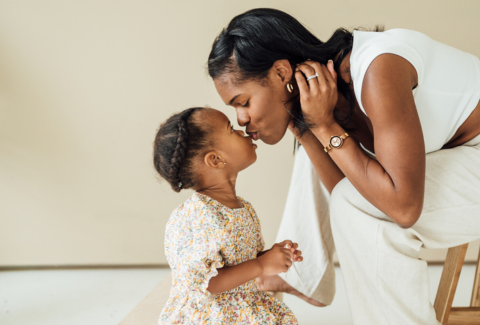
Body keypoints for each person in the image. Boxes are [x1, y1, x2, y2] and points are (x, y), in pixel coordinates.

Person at [207, 8, 480, 325]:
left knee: (335, 146)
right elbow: (348, 190)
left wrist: (324, 127)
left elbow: (403, 208)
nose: (241, 119)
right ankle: (299, 275)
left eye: (243, 102)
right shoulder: (333, 86)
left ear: (282, 73)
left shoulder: (378, 69)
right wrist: (306, 127)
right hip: (464, 153)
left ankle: (300, 275)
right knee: (324, 147)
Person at [153, 107, 302, 324]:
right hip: (214, 314)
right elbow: (207, 282)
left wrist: (271, 256)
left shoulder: (243, 207)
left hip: (242, 305)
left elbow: (237, 264)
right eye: (231, 129)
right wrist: (261, 266)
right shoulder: (198, 216)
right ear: (215, 160)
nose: (242, 131)